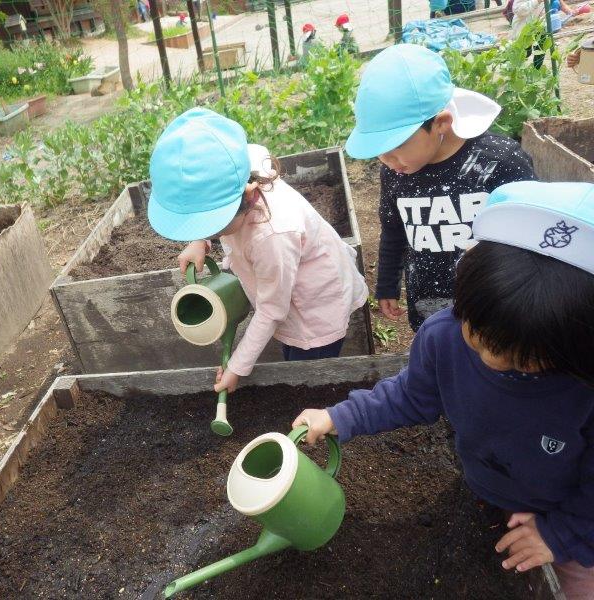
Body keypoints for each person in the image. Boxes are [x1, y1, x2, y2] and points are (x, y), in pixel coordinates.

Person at [293, 180, 594, 600]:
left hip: (571, 519)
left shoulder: (583, 387)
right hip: (486, 488)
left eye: (525, 359)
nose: (492, 359)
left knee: (572, 584)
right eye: (480, 335)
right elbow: (410, 395)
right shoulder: (443, 337)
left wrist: (560, 533)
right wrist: (340, 416)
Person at [147, 108, 368, 394]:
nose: (210, 231)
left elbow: (272, 309)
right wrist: (199, 238)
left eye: (213, 226)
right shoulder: (238, 164)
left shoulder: (272, 235)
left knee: (306, 376)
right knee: (291, 355)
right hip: (285, 282)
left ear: (249, 196)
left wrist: (237, 366)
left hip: (314, 308)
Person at [344, 44, 535, 332]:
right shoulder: (397, 171)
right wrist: (387, 286)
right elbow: (394, 230)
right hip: (428, 304)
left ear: (441, 123)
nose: (388, 161)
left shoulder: (500, 162)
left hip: (494, 305)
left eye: (396, 148)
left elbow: (529, 236)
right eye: (380, 152)